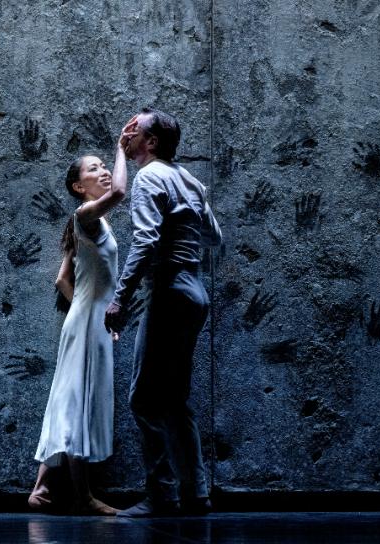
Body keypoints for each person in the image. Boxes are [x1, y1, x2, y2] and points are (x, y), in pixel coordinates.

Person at [105, 107, 222, 517]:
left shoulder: (150, 176)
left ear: (151, 141)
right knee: (174, 400)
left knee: (143, 399)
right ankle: (196, 492)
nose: (128, 132)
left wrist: (120, 297)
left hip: (170, 291)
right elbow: (213, 237)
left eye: (134, 128)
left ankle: (162, 495)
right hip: (194, 291)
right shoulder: (187, 179)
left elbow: (146, 241)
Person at [29, 117, 139, 515]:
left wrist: (90, 310)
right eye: (95, 168)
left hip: (89, 321)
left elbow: (62, 279)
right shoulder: (85, 216)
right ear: (79, 186)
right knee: (80, 401)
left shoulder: (92, 221)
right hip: (88, 320)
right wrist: (121, 149)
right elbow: (123, 190)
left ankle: (43, 489)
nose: (105, 171)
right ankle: (82, 496)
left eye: (104, 165)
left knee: (70, 398)